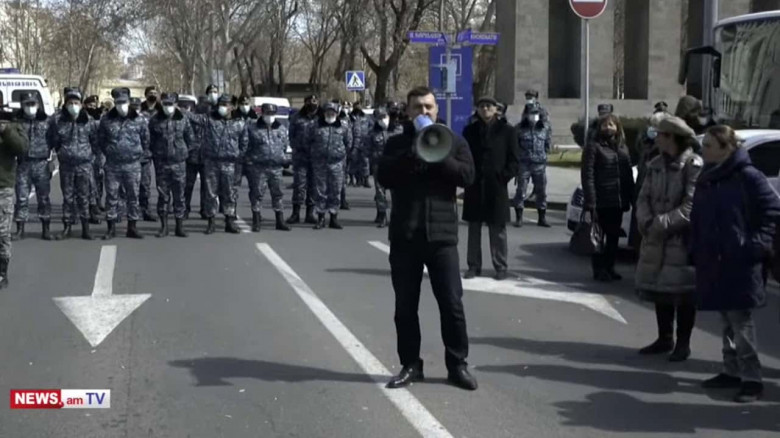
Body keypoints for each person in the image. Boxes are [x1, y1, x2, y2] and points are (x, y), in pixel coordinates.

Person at [378, 86, 477, 391]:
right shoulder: (397, 143)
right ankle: (411, 364)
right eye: (417, 107)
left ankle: (457, 365)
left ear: (437, 109)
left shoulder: (455, 141)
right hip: (406, 236)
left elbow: (467, 177)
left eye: (428, 107)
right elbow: (384, 177)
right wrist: (413, 151)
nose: (423, 112)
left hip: (442, 237)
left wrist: (439, 153)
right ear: (408, 112)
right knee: (405, 307)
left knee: (452, 304)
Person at [690, 125, 780, 403]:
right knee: (726, 320)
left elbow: (773, 211)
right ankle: (731, 371)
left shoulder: (748, 176)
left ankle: (752, 379)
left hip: (741, 262)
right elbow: (699, 216)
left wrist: (755, 245)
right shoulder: (708, 177)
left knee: (741, 322)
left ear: (726, 148)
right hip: (714, 260)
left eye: (708, 145)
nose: (703, 150)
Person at [635, 116, 702, 362]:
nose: (656, 139)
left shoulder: (693, 165)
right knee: (660, 288)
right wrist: (646, 221)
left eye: (661, 135)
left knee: (683, 293)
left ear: (672, 137)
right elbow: (643, 197)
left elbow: (691, 205)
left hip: (680, 238)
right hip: (655, 237)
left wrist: (661, 224)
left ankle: (683, 343)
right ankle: (664, 338)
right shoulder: (655, 164)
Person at [462, 97, 519, 281]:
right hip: (475, 185)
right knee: (474, 228)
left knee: (498, 229)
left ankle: (500, 266)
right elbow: (463, 156)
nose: (485, 109)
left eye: (488, 106)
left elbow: (514, 159)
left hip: (496, 186)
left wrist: (503, 177)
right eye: (481, 106)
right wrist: (468, 176)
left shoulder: (507, 130)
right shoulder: (470, 130)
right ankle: (473, 265)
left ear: (496, 109)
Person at [581, 114, 634, 282]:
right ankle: (599, 269)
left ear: (617, 128)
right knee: (598, 236)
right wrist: (591, 201)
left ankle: (610, 267)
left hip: (617, 201)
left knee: (613, 237)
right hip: (601, 200)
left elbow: (627, 175)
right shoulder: (593, 147)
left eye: (611, 125)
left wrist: (630, 198)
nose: (608, 128)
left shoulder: (623, 148)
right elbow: (588, 175)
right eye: (605, 125)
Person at [99, 89, 150, 240]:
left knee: (133, 196)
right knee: (111, 197)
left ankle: (132, 227)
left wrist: (137, 153)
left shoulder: (139, 120)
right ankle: (111, 228)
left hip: (132, 165)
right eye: (118, 102)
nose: (122, 105)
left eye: (124, 102)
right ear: (115, 103)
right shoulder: (106, 120)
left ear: (129, 102)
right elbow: (101, 139)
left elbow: (146, 140)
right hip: (113, 165)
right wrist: (110, 152)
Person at [49, 90, 99, 240]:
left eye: (76, 103)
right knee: (68, 198)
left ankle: (86, 228)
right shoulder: (58, 121)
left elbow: (95, 141)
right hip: (67, 166)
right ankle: (67, 227)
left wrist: (91, 157)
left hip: (84, 165)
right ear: (65, 104)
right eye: (70, 103)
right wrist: (62, 153)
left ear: (81, 104)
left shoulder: (88, 121)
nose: (73, 105)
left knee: (84, 197)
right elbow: (54, 141)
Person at [194, 94, 247, 234]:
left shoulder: (239, 123)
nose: (222, 107)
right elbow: (193, 118)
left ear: (232, 107)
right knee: (210, 193)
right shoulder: (210, 119)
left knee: (229, 193)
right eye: (221, 104)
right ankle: (211, 222)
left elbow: (244, 142)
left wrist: (238, 155)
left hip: (230, 163)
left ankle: (229, 221)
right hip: (212, 162)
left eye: (226, 104)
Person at [148, 92, 193, 238]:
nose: (168, 107)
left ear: (176, 104)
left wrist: (182, 152)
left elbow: (190, 139)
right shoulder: (155, 120)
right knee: (163, 196)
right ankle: (164, 226)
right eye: (165, 104)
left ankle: (179, 227)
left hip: (179, 163)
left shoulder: (183, 119)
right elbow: (149, 140)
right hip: (162, 164)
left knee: (180, 196)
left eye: (170, 104)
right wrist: (156, 154)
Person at [244, 103, 291, 232]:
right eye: (267, 113)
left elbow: (284, 146)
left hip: (276, 168)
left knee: (278, 194)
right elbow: (246, 146)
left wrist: (282, 159)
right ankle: (256, 220)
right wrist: (250, 161)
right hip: (259, 168)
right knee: (257, 194)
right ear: (262, 113)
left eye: (272, 113)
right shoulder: (253, 128)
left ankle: (280, 221)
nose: (270, 116)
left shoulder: (281, 128)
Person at [12, 93, 52, 240]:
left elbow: (53, 140)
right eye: (27, 104)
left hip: (41, 163)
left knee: (44, 198)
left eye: (33, 104)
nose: (30, 107)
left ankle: (46, 229)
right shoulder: (16, 121)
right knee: (22, 198)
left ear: (38, 104)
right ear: (22, 105)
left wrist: (50, 159)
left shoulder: (46, 121)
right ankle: (20, 229)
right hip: (23, 164)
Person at [308, 102, 351, 230]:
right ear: (324, 112)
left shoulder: (344, 126)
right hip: (320, 163)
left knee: (336, 190)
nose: (330, 114)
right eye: (328, 111)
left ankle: (333, 217)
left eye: (333, 112)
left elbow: (348, 142)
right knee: (320, 191)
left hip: (337, 163)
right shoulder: (315, 125)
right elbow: (308, 141)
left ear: (337, 113)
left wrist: (340, 154)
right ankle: (321, 218)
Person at [513, 101, 552, 228]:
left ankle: (542, 218)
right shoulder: (519, 128)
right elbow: (515, 147)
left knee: (541, 191)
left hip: (539, 165)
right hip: (524, 164)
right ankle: (519, 217)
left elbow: (548, 145)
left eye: (536, 113)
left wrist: (544, 156)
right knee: (521, 191)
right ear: (526, 114)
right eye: (531, 113)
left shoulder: (544, 128)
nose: (533, 116)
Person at [0, 115, 28, 288]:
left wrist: (6, 130)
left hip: (3, 187)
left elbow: (22, 148)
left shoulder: (12, 125)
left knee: (2, 233)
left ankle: (2, 272)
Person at [368, 106, 403, 228]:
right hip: (379, 164)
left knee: (396, 192)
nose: (383, 119)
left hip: (394, 165)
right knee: (380, 191)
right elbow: (367, 148)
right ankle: (382, 215)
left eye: (384, 116)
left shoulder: (398, 130)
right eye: (380, 117)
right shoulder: (372, 133)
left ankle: (396, 216)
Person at [287, 94, 319, 225]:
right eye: (310, 102)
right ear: (305, 103)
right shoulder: (296, 118)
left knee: (313, 186)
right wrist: (297, 147)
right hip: (300, 157)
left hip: (316, 158)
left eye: (315, 102)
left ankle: (310, 213)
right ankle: (296, 213)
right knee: (299, 185)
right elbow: (291, 136)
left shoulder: (320, 118)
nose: (312, 104)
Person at [184, 95, 211, 220]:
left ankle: (204, 209)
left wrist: (185, 112)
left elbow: (202, 120)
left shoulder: (210, 118)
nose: (204, 106)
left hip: (206, 156)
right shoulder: (190, 117)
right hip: (192, 156)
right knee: (188, 185)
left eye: (207, 104)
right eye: (203, 103)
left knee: (206, 186)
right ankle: (185, 209)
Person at [232, 94, 257, 206]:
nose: (244, 106)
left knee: (255, 186)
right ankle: (232, 210)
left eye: (246, 104)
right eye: (242, 104)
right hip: (237, 157)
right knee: (234, 186)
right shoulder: (233, 117)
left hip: (252, 158)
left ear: (250, 104)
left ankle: (256, 210)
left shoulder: (255, 118)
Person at [350, 100, 372, 188]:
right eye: (356, 106)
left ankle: (366, 180)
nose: (358, 108)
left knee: (365, 161)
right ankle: (358, 180)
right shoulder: (350, 117)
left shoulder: (366, 117)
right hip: (354, 143)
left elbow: (371, 127)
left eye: (359, 106)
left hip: (364, 142)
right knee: (355, 161)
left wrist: (368, 136)